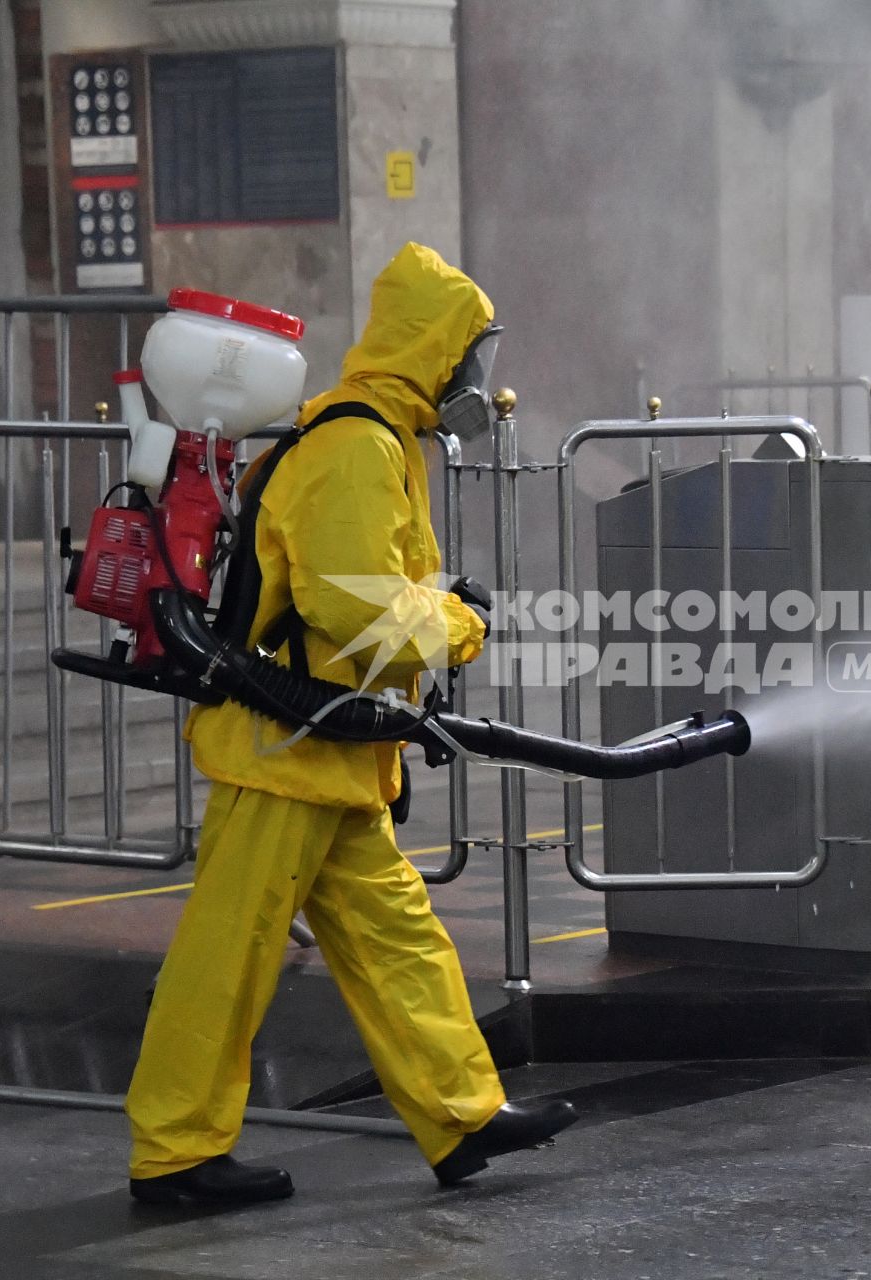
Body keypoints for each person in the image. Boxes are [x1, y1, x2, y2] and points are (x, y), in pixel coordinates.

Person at [125, 243, 576, 1207]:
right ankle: (174, 1152)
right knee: (227, 960)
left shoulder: (378, 439)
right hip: (281, 754)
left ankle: (461, 1117)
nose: (476, 382)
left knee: (399, 942)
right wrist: (461, 623)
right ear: (432, 350)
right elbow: (357, 612)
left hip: (324, 752)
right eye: (470, 357)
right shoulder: (355, 446)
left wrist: (437, 603)